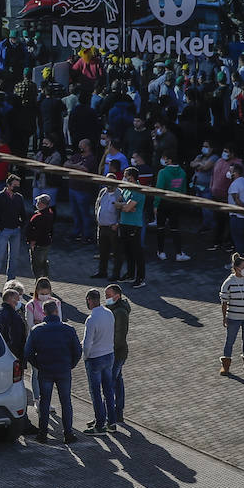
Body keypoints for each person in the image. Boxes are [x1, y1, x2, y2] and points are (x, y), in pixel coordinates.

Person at [24, 299, 83, 444]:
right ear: (56, 311)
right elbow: (77, 350)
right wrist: (70, 364)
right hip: (63, 370)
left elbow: (28, 352)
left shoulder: (37, 330)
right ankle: (68, 433)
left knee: (44, 402)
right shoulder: (68, 329)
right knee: (66, 401)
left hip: (45, 370)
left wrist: (38, 365)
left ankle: (42, 434)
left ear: (43, 313)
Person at [82, 288, 117, 433]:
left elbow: (88, 343)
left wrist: (85, 356)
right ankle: (111, 422)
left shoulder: (91, 320)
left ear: (90, 300)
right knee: (108, 390)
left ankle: (100, 424)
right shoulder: (109, 314)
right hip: (109, 355)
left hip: (95, 358)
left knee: (95, 392)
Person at [220, 252, 244, 375]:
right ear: (237, 268)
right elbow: (224, 302)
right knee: (230, 340)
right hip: (233, 317)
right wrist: (224, 317)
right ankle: (226, 366)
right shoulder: (228, 282)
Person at [0, 174, 25, 290]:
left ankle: (11, 283)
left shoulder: (19, 198)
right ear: (8, 185)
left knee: (14, 257)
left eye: (18, 186)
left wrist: (21, 224)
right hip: (3, 231)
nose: (17, 188)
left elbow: (23, 213)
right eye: (15, 185)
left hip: (15, 231)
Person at [112, 167, 147, 288]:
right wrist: (125, 206)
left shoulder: (138, 191)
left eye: (125, 176)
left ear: (131, 178)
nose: (123, 178)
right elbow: (120, 203)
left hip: (134, 226)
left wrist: (125, 206)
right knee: (128, 252)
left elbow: (125, 207)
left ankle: (140, 278)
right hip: (124, 223)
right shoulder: (126, 189)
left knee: (137, 253)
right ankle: (130, 274)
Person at [106, 283, 131, 426]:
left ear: (117, 296)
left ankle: (108, 415)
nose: (107, 299)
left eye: (109, 296)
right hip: (118, 352)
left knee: (109, 383)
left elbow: (119, 336)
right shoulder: (114, 309)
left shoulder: (119, 312)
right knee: (117, 381)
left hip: (116, 353)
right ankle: (118, 412)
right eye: (106, 296)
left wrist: (108, 349)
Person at [0, 285, 27, 370]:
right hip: (10, 356)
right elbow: (16, 339)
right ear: (11, 300)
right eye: (18, 299)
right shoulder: (14, 317)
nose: (19, 302)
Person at [27, 194, 55, 280]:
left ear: (42, 204)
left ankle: (39, 286)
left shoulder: (38, 217)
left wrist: (32, 241)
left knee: (37, 266)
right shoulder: (50, 213)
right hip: (46, 242)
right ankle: (46, 282)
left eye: (38, 202)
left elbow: (35, 231)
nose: (37, 204)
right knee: (44, 263)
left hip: (38, 244)